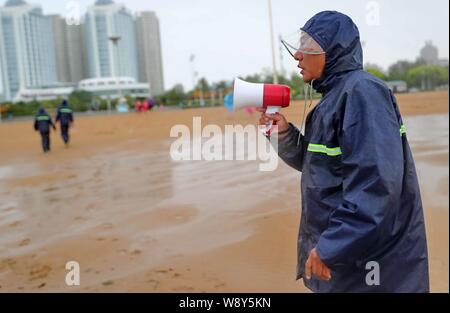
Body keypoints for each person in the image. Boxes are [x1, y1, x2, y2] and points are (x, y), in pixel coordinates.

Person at [259, 11, 429, 292]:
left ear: (334, 50)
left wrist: (331, 247)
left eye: (308, 47)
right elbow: (322, 168)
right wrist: (284, 135)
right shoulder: (335, 98)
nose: (297, 56)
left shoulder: (362, 93)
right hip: (349, 257)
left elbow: (377, 186)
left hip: (372, 266)